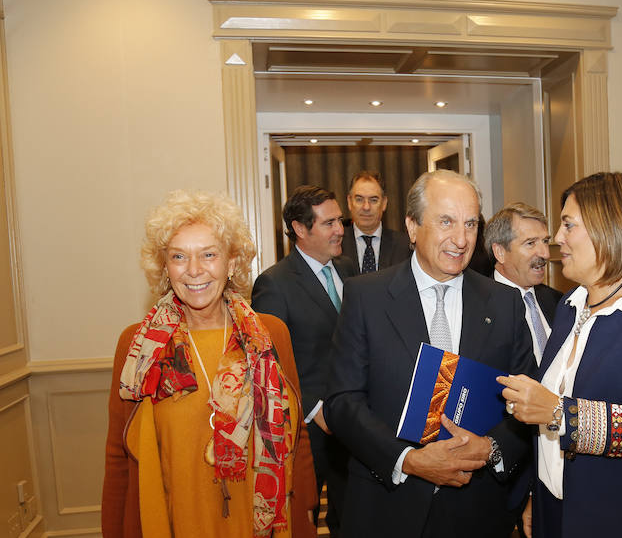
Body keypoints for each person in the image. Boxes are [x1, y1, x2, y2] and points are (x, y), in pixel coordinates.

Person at [325, 169, 536, 538]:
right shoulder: (365, 297)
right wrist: (409, 460)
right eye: (446, 222)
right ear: (411, 226)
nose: (461, 239)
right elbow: (343, 401)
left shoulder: (505, 303)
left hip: (477, 510)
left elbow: (526, 400)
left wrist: (491, 448)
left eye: (471, 224)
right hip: (386, 507)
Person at [101, 190, 317, 538]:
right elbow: (117, 456)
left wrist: (305, 515)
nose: (194, 270)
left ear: (231, 262)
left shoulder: (271, 334)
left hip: (260, 521)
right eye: (179, 256)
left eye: (209, 254)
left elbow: (297, 438)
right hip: (176, 521)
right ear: (165, 266)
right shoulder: (139, 347)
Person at [499, 172, 622, 538]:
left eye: (568, 225)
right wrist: (536, 490)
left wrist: (562, 413)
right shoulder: (569, 304)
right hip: (555, 506)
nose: (557, 240)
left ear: (610, 229)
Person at [252, 185, 353, 536]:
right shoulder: (274, 284)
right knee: (303, 517)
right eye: (329, 223)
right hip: (307, 429)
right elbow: (271, 362)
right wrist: (313, 409)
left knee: (351, 515)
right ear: (299, 228)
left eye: (340, 220)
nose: (340, 229)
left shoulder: (349, 271)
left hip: (354, 421)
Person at [484, 202, 563, 364]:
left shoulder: (557, 300)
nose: (545, 253)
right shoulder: (477, 305)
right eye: (530, 243)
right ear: (500, 252)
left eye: (545, 241)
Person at [340, 171, 411, 276]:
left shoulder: (405, 245)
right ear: (349, 202)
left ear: (384, 203)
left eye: (373, 200)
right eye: (359, 199)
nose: (366, 207)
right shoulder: (336, 243)